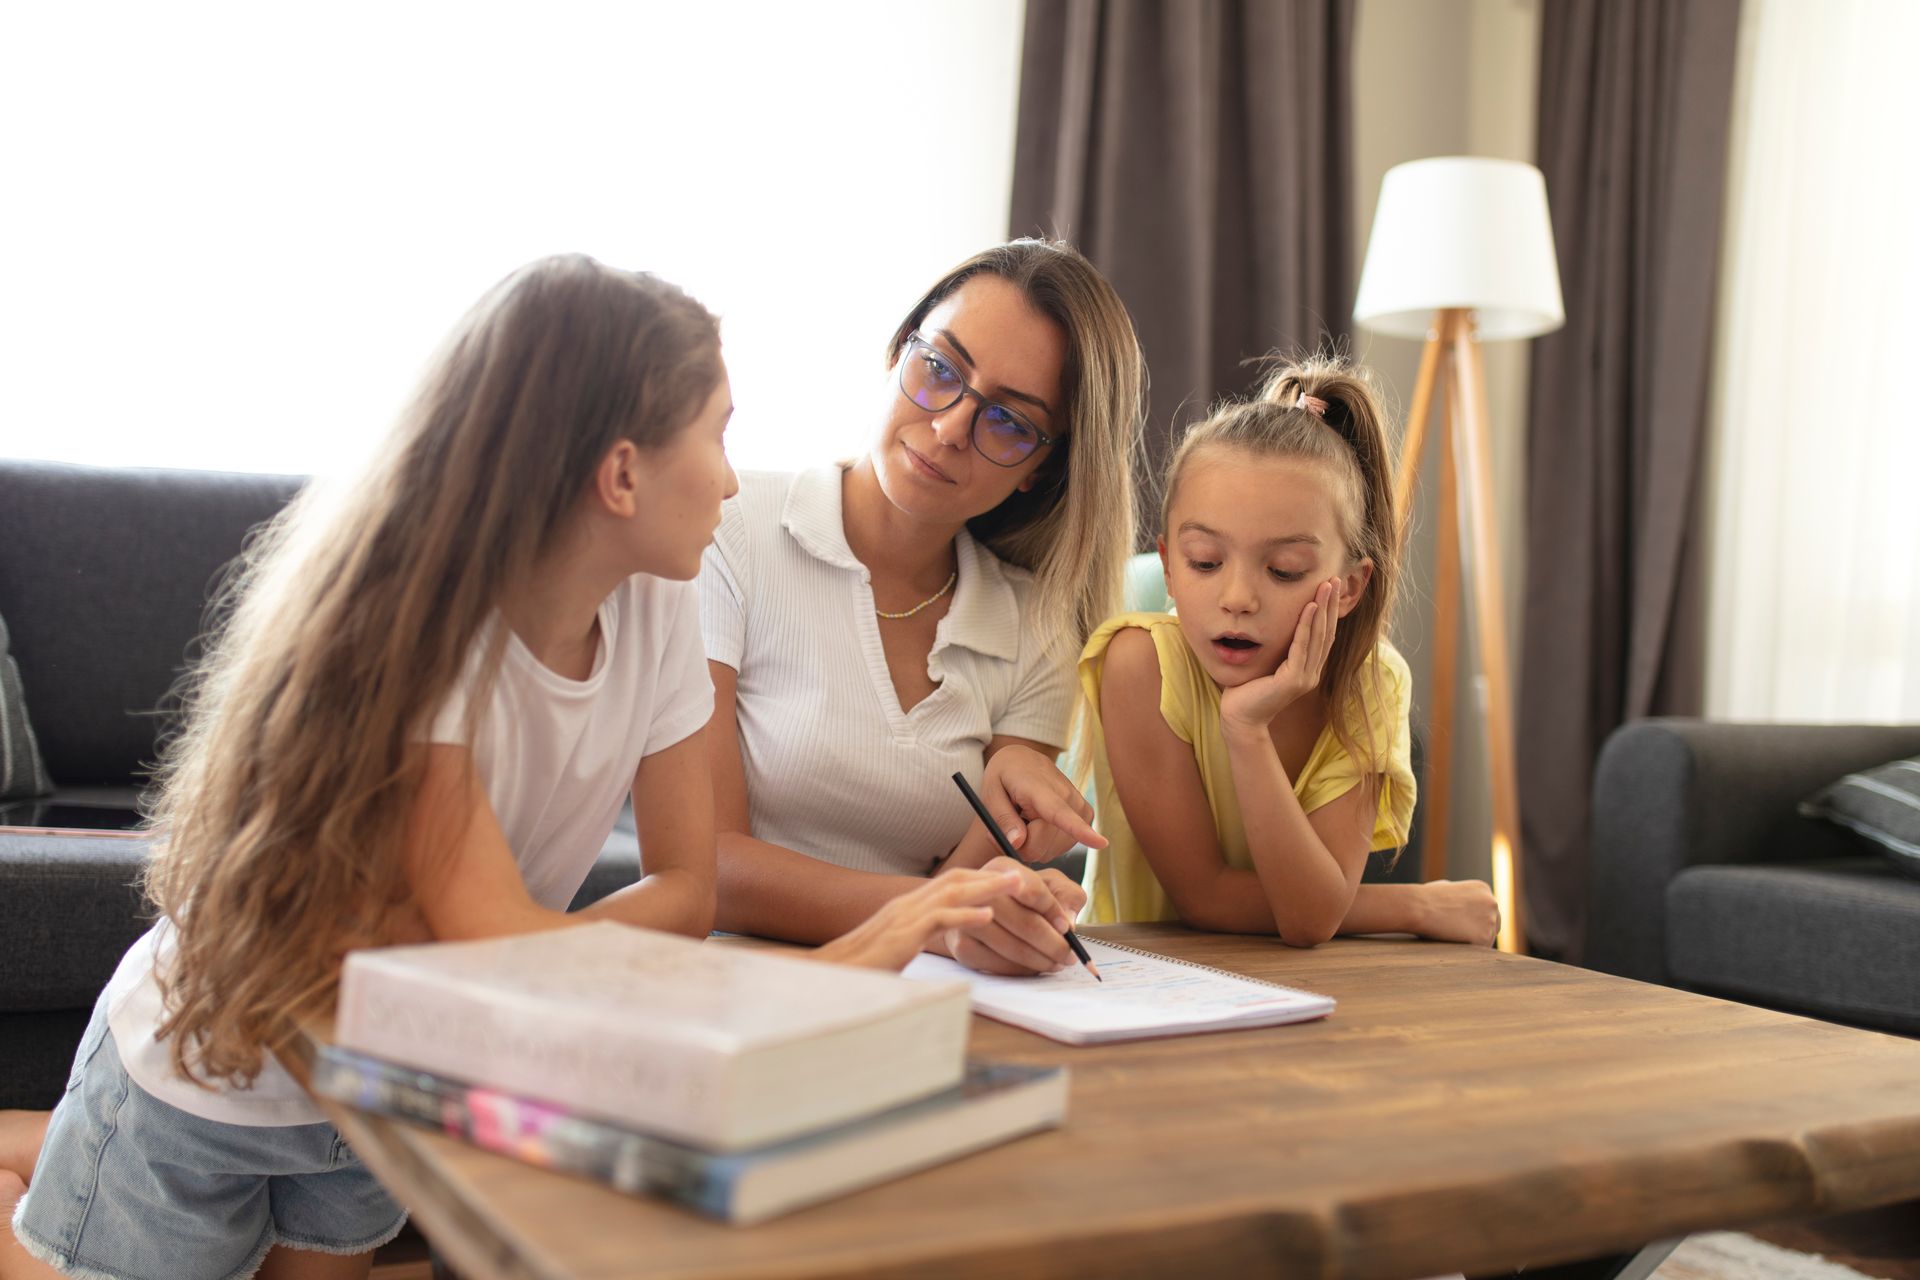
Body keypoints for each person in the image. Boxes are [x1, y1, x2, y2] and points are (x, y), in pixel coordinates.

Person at [2, 256, 1027, 1280]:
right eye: (716, 433)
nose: (727, 476)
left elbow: (678, 893)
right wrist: (829, 958)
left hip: (387, 1080)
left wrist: (517, 965)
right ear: (621, 474)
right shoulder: (422, 639)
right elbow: (504, 950)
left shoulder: (661, 601)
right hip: (214, 1076)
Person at [700, 239, 1146, 976]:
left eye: (1008, 421)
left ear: (1044, 468)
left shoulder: (1036, 627)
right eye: (938, 368)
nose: (948, 428)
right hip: (731, 987)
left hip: (920, 995)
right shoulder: (729, 525)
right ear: (895, 354)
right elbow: (705, 867)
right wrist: (942, 912)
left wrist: (1004, 860)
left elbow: (955, 900)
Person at [1078, 354, 1500, 946]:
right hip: (1134, 988)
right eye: (1204, 561)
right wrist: (1411, 905)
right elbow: (1203, 896)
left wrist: (1246, 729)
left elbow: (1310, 917)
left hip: (1298, 996)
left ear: (1350, 587)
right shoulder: (1139, 664)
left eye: (1283, 570)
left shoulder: (1372, 682)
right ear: (1169, 566)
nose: (1237, 597)